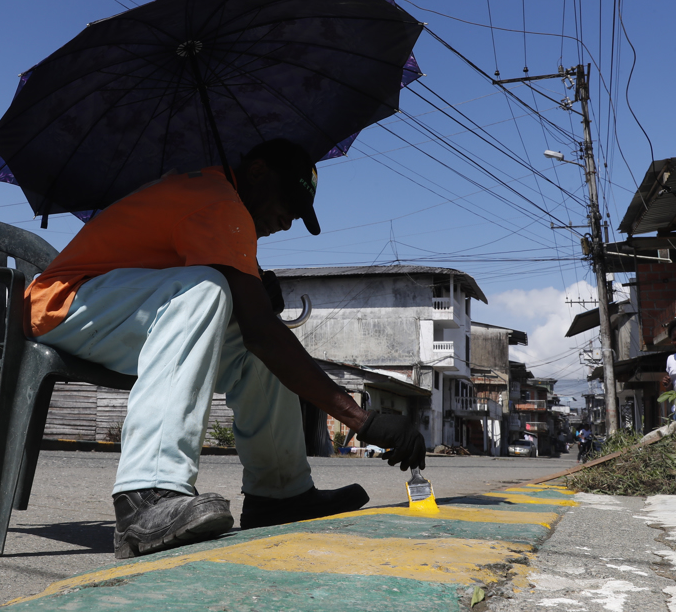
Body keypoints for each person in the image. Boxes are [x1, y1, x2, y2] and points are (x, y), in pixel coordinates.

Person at [26, 139, 427, 559]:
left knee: (258, 346)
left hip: (124, 316)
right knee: (210, 292)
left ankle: (280, 495)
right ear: (255, 173)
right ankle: (143, 496)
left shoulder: (222, 207)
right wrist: (362, 419)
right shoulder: (216, 199)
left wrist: (253, 288)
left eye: (297, 213)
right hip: (65, 306)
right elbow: (258, 328)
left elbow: (261, 336)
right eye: (288, 202)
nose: (286, 221)